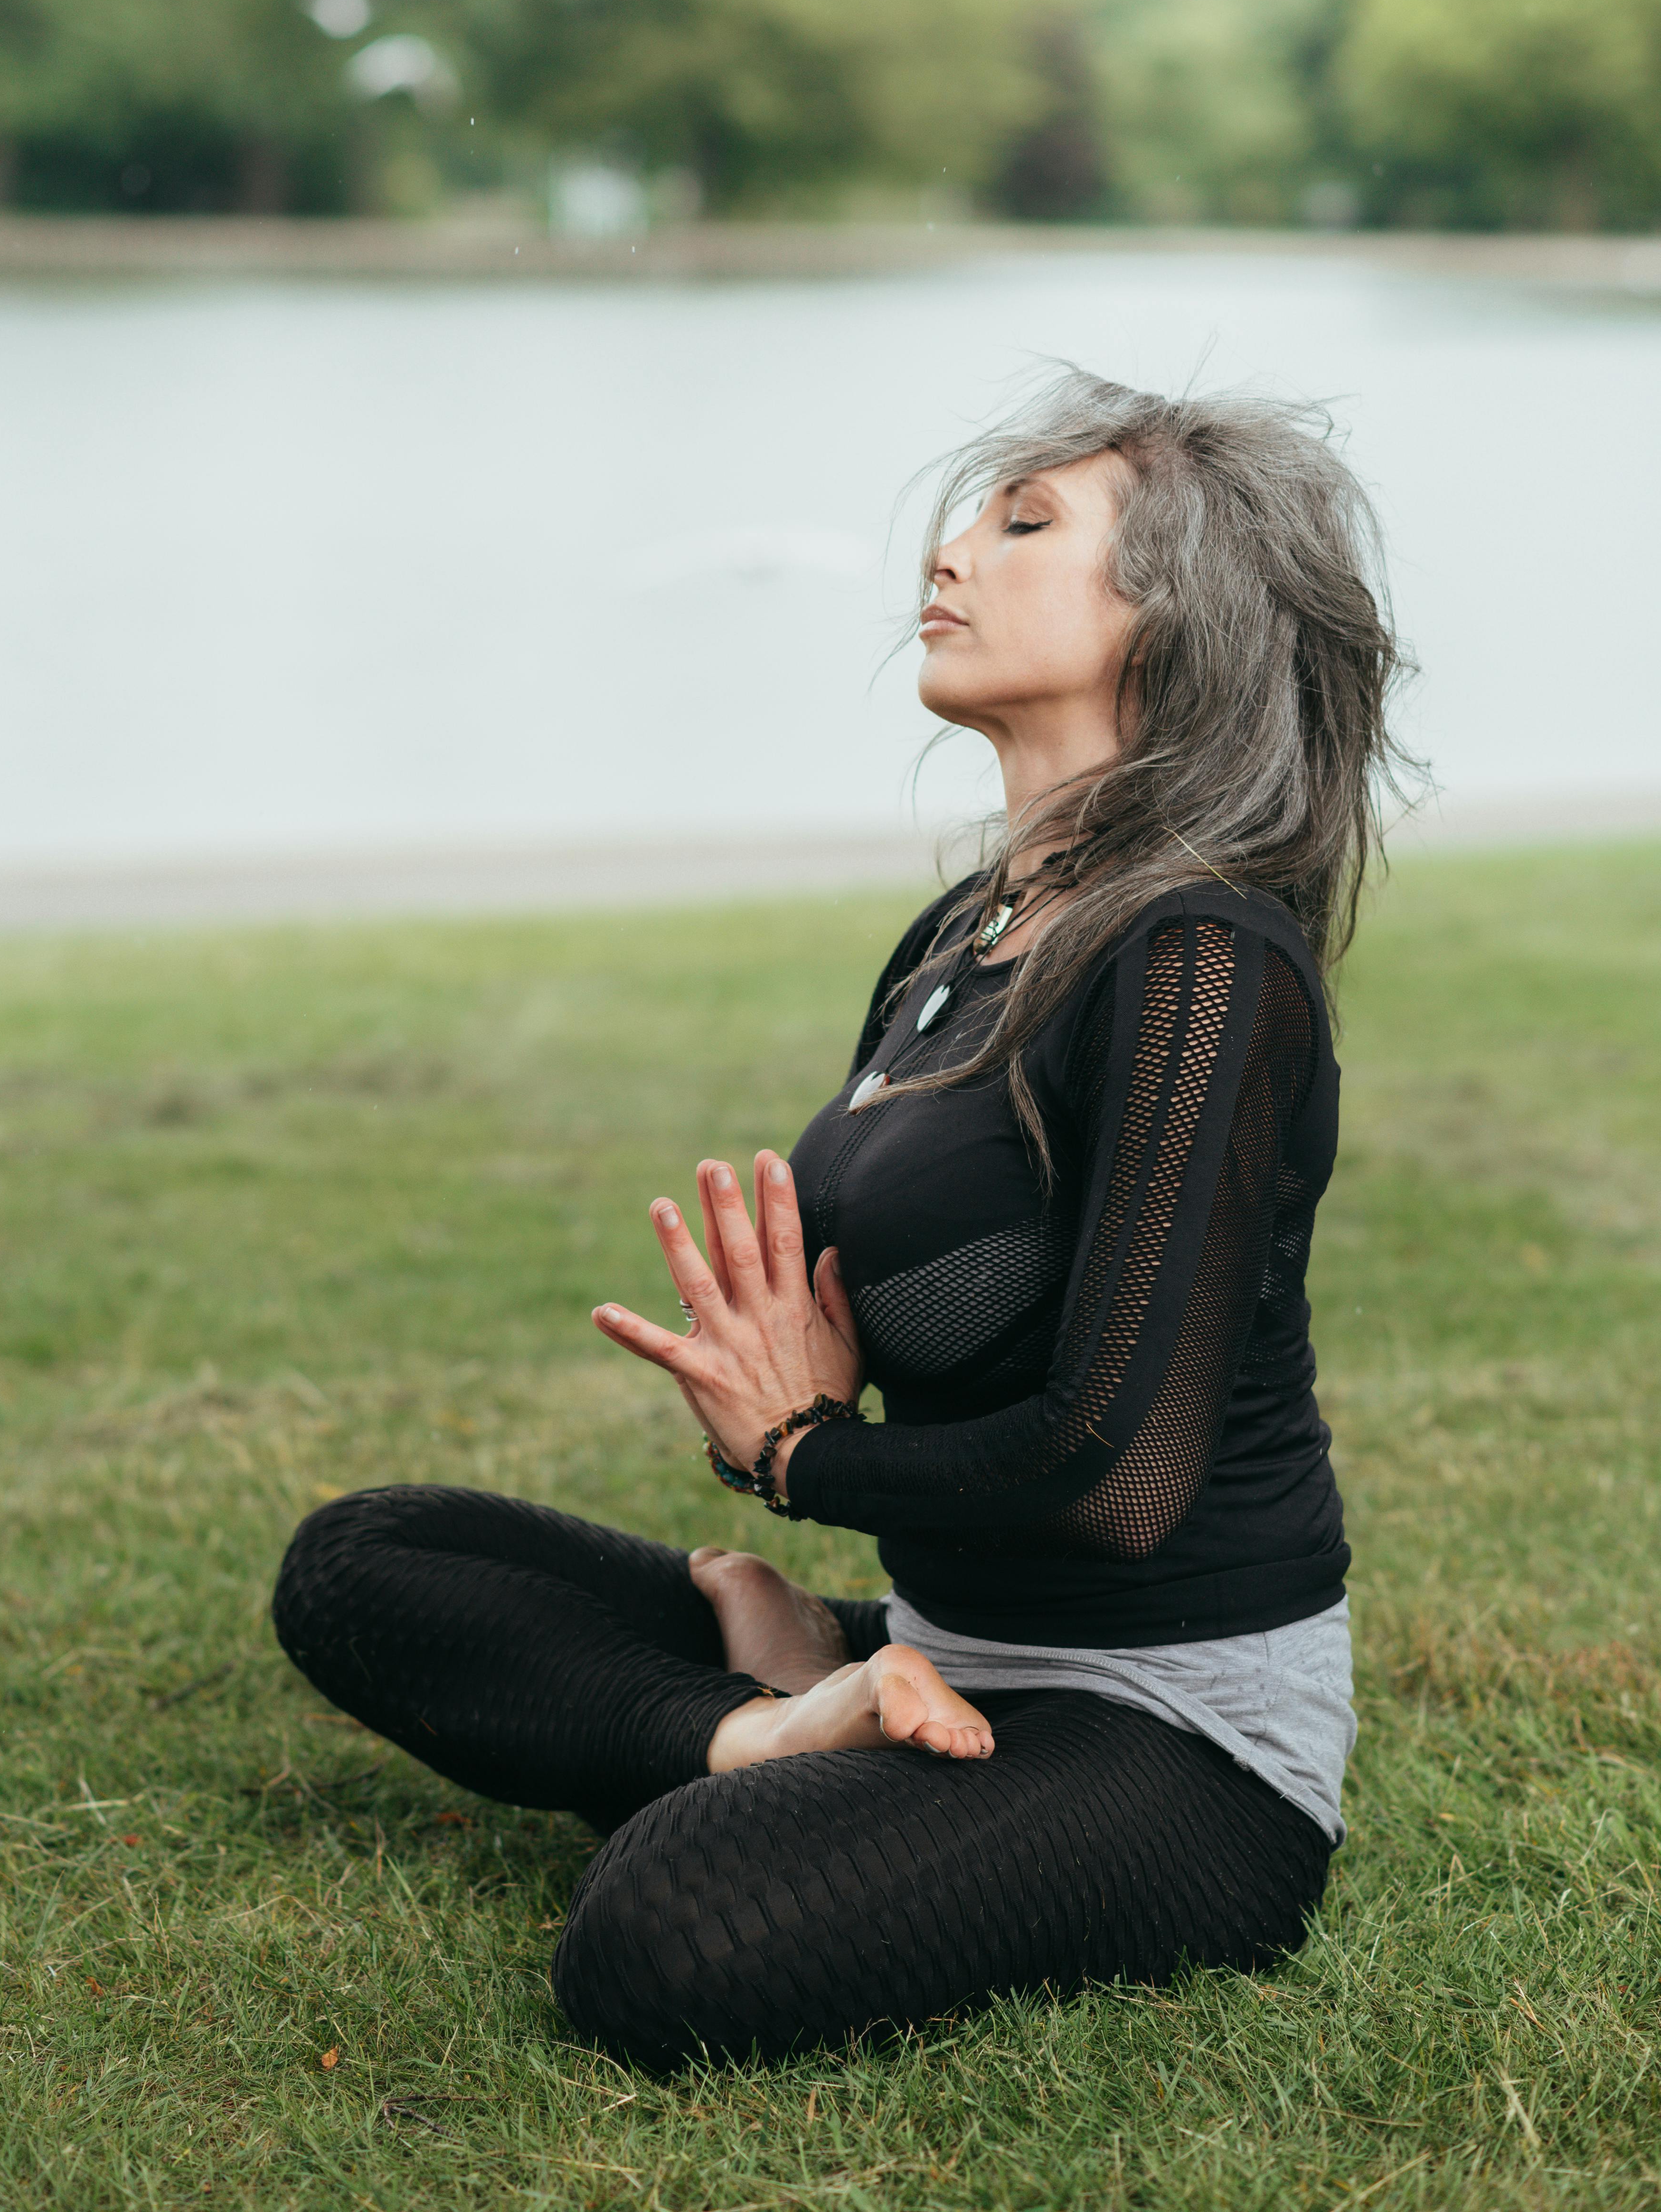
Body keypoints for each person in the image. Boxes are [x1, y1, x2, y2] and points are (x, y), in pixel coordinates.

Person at [273, 368, 1411, 2069]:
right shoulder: (965, 936)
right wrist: (807, 1434)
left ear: (1175, 621)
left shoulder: (1198, 959)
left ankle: (779, 1727)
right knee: (366, 1559)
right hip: (947, 1642)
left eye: (1025, 524)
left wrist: (804, 1458)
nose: (950, 550)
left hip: (1168, 1730)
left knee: (668, 1935)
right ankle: (787, 1715)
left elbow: (1125, 1474)